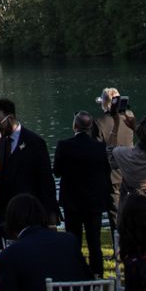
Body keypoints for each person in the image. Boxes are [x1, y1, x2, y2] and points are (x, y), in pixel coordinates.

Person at [52, 111, 112, 275]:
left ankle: (75, 273)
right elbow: (106, 171)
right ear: (90, 126)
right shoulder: (99, 147)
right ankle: (97, 274)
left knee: (73, 241)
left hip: (72, 201)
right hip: (94, 201)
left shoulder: (64, 145)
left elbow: (57, 172)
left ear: (75, 126)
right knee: (95, 242)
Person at [0, 99, 57, 224]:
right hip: (9, 213)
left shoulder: (34, 142)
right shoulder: (3, 141)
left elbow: (46, 180)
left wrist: (51, 215)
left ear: (10, 118)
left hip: (30, 212)